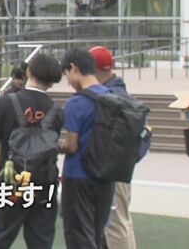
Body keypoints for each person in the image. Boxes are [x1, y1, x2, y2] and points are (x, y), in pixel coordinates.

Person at [0, 53, 64, 249]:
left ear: (28, 71)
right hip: (44, 183)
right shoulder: (56, 111)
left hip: (11, 182)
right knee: (41, 242)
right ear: (52, 81)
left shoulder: (7, 103)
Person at [58, 48, 114, 249]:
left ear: (73, 68)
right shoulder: (111, 97)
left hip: (78, 175)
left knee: (78, 235)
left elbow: (71, 146)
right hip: (105, 176)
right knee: (97, 233)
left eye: (67, 74)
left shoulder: (76, 103)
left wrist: (53, 144)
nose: (68, 81)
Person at [88, 46, 138, 249]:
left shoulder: (111, 97)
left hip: (112, 169)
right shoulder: (120, 93)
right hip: (121, 166)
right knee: (121, 221)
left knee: (115, 223)